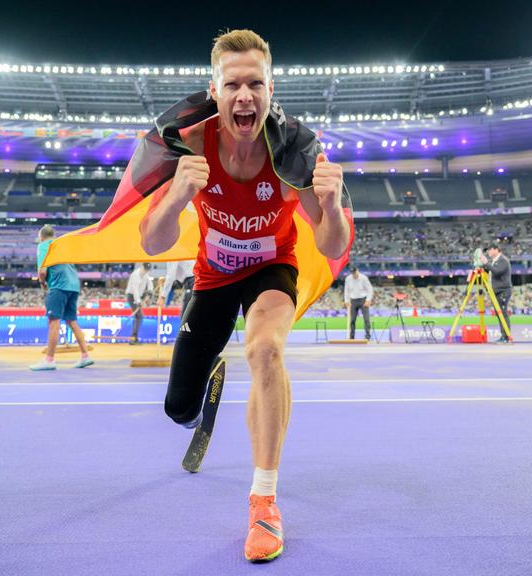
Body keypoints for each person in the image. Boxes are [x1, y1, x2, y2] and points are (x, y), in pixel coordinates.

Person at [139, 29, 350, 562]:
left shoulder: (291, 151)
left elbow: (330, 245)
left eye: (255, 83)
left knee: (266, 351)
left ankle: (264, 500)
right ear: (215, 90)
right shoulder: (190, 143)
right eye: (233, 84)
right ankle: (207, 383)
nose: (245, 96)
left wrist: (332, 206)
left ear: (270, 88)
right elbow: (152, 240)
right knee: (176, 408)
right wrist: (177, 198)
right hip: (212, 274)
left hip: (271, 270)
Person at [29, 225, 93, 370]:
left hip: (59, 286)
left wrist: (42, 283)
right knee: (72, 321)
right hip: (73, 285)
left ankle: (49, 360)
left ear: (41, 237)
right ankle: (85, 356)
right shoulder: (62, 244)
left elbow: (42, 271)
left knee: (54, 322)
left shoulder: (43, 245)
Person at [480, 241, 513, 342]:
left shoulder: (503, 260)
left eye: (489, 250)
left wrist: (486, 263)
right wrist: (482, 265)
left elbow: (497, 272)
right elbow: (490, 270)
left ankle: (506, 336)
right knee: (499, 314)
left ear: (496, 249)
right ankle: (504, 335)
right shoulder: (494, 261)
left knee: (502, 313)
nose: (488, 252)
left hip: (503, 290)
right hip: (496, 291)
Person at [125, 263, 154, 344]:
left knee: (138, 316)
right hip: (132, 296)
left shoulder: (146, 274)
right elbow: (135, 290)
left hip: (139, 295)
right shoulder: (135, 275)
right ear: (142, 267)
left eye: (147, 270)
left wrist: (150, 291)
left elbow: (150, 283)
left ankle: (134, 338)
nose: (146, 271)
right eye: (145, 269)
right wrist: (138, 301)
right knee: (139, 316)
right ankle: (134, 337)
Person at [344, 264, 373, 340]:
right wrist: (346, 300)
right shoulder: (348, 279)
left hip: (363, 300)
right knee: (352, 320)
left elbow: (370, 289)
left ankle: (367, 336)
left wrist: (368, 300)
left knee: (366, 319)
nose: (354, 274)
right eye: (352, 273)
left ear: (358, 271)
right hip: (353, 300)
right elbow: (346, 291)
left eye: (355, 272)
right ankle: (352, 336)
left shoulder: (364, 278)